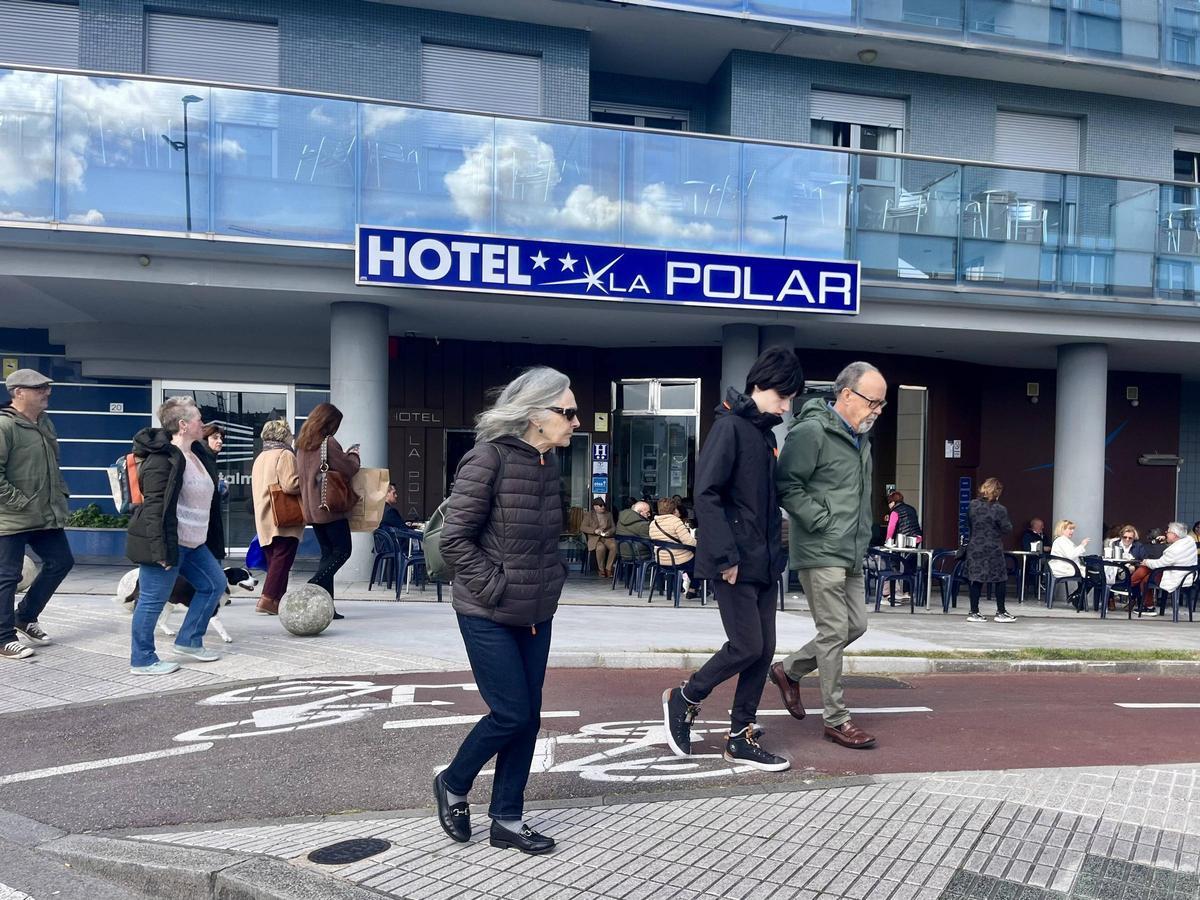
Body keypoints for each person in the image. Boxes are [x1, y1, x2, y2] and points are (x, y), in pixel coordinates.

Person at [433, 367, 576, 856]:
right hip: (487, 611)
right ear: (536, 414)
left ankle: (507, 820)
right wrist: (496, 586)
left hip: (536, 611)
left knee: (529, 717)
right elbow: (455, 540)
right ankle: (453, 782)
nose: (575, 422)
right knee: (512, 713)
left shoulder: (547, 464)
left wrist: (551, 580)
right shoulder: (487, 458)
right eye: (568, 412)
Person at [662, 346, 802, 772]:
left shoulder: (764, 434)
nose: (786, 405)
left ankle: (740, 736)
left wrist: (777, 554)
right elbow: (706, 493)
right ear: (760, 385)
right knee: (746, 646)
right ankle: (686, 696)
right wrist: (725, 556)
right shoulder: (730, 427)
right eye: (783, 395)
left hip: (764, 560)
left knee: (763, 650)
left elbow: (764, 503)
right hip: (735, 560)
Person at [772, 361, 885, 750]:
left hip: (851, 549)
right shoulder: (812, 431)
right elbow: (787, 484)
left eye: (882, 404)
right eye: (873, 401)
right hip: (821, 548)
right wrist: (821, 521)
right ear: (847, 394)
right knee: (835, 630)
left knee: (857, 625)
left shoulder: (860, 438)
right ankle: (837, 720)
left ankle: (789, 670)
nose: (877, 410)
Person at [125, 396, 226, 675]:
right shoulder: (162, 460)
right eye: (198, 418)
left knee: (214, 584)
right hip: (169, 543)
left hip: (194, 543)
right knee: (152, 601)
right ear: (183, 424)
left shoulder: (199, 454)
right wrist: (161, 552)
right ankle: (142, 660)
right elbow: (155, 509)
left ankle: (189, 641)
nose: (202, 423)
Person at [0, 369, 75, 661]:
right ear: (18, 393)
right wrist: (19, 500)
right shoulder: (5, 426)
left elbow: (52, 464)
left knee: (61, 561)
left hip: (43, 513)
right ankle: (4, 638)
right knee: (7, 576)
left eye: (47, 387)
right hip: (11, 517)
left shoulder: (44, 422)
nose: (47, 392)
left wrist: (59, 494)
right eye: (39, 388)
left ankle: (26, 616)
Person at [296, 403, 360, 620]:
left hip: (312, 509)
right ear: (329, 422)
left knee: (327, 554)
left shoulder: (302, 444)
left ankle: (326, 607)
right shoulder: (328, 443)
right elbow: (349, 468)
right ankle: (312, 585)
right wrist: (354, 454)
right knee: (343, 551)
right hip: (330, 507)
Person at [250, 419, 304, 616]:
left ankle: (277, 600)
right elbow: (291, 484)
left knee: (275, 559)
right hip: (283, 515)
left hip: (264, 516)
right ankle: (267, 598)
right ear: (284, 434)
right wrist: (308, 480)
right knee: (283, 558)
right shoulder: (285, 454)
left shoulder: (261, 457)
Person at [964, 478, 1014, 623]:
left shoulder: (972, 505)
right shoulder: (999, 509)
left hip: (975, 546)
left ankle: (974, 612)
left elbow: (968, 523)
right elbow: (1007, 528)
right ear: (997, 492)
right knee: (1000, 579)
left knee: (976, 579)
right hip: (993, 548)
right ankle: (1001, 612)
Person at [1132, 522, 1198, 615]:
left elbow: (1160, 564)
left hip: (1175, 578)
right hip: (1186, 575)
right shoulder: (1189, 541)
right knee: (1145, 571)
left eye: (1168, 532)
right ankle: (1131, 586)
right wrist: (1167, 540)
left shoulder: (1174, 550)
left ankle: (1130, 587)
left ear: (1175, 535)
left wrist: (1147, 562)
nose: (1166, 533)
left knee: (1145, 576)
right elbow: (1178, 543)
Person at [883, 490, 921, 602]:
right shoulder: (911, 509)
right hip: (916, 539)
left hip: (903, 540)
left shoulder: (895, 511)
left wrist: (888, 541)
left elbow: (891, 528)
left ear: (892, 502)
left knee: (893, 561)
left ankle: (893, 591)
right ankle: (908, 592)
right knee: (910, 564)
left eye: (889, 503)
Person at [1049, 519, 1089, 608]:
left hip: (1068, 566)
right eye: (1070, 529)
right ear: (1062, 529)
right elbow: (1071, 555)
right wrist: (1082, 545)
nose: (1072, 531)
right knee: (1091, 576)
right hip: (1064, 568)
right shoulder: (1061, 541)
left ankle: (1077, 596)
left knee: (1091, 576)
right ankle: (1077, 596)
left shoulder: (1065, 541)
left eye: (1073, 529)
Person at [580, 496, 617, 578]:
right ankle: (601, 569)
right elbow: (583, 527)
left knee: (614, 546)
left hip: (606, 537)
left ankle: (608, 568)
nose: (603, 507)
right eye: (600, 505)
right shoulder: (589, 515)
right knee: (600, 548)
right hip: (594, 538)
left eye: (604, 505)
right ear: (595, 507)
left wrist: (609, 532)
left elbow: (613, 527)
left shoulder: (608, 514)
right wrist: (594, 530)